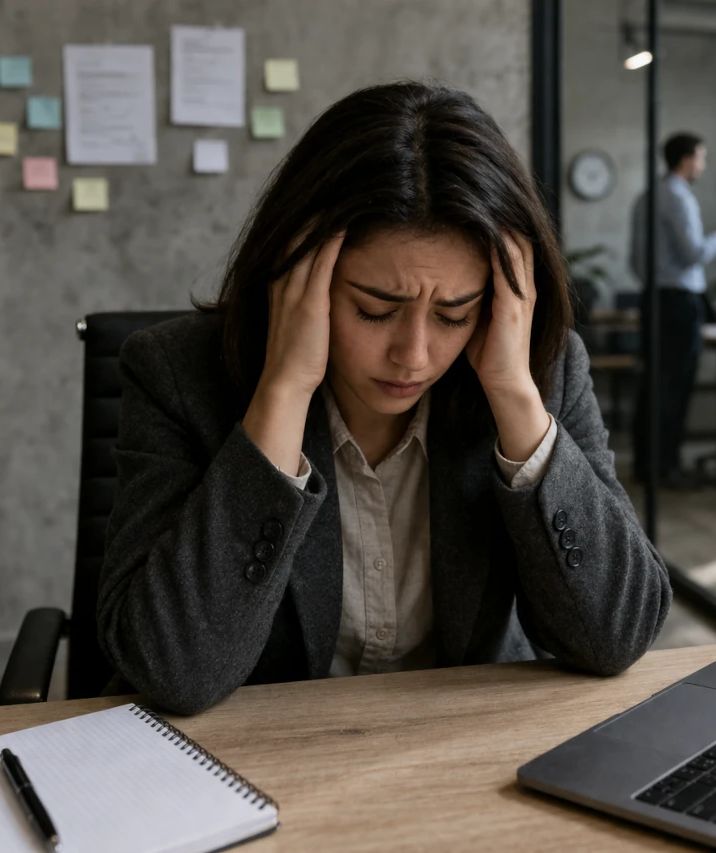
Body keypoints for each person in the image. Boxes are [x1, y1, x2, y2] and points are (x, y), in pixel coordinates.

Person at [96, 82, 672, 715]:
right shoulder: (180, 374)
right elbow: (173, 670)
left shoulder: (540, 371)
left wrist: (514, 398)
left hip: (460, 754)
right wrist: (283, 393)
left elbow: (616, 637)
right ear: (295, 277)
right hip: (265, 759)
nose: (414, 355)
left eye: (455, 314)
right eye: (375, 310)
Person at [630, 133, 716, 487]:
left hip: (653, 297)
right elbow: (694, 254)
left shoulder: (645, 197)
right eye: (700, 158)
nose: (703, 165)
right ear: (685, 160)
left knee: (653, 383)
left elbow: (636, 261)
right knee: (675, 386)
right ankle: (667, 467)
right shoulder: (679, 197)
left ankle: (647, 464)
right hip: (678, 303)